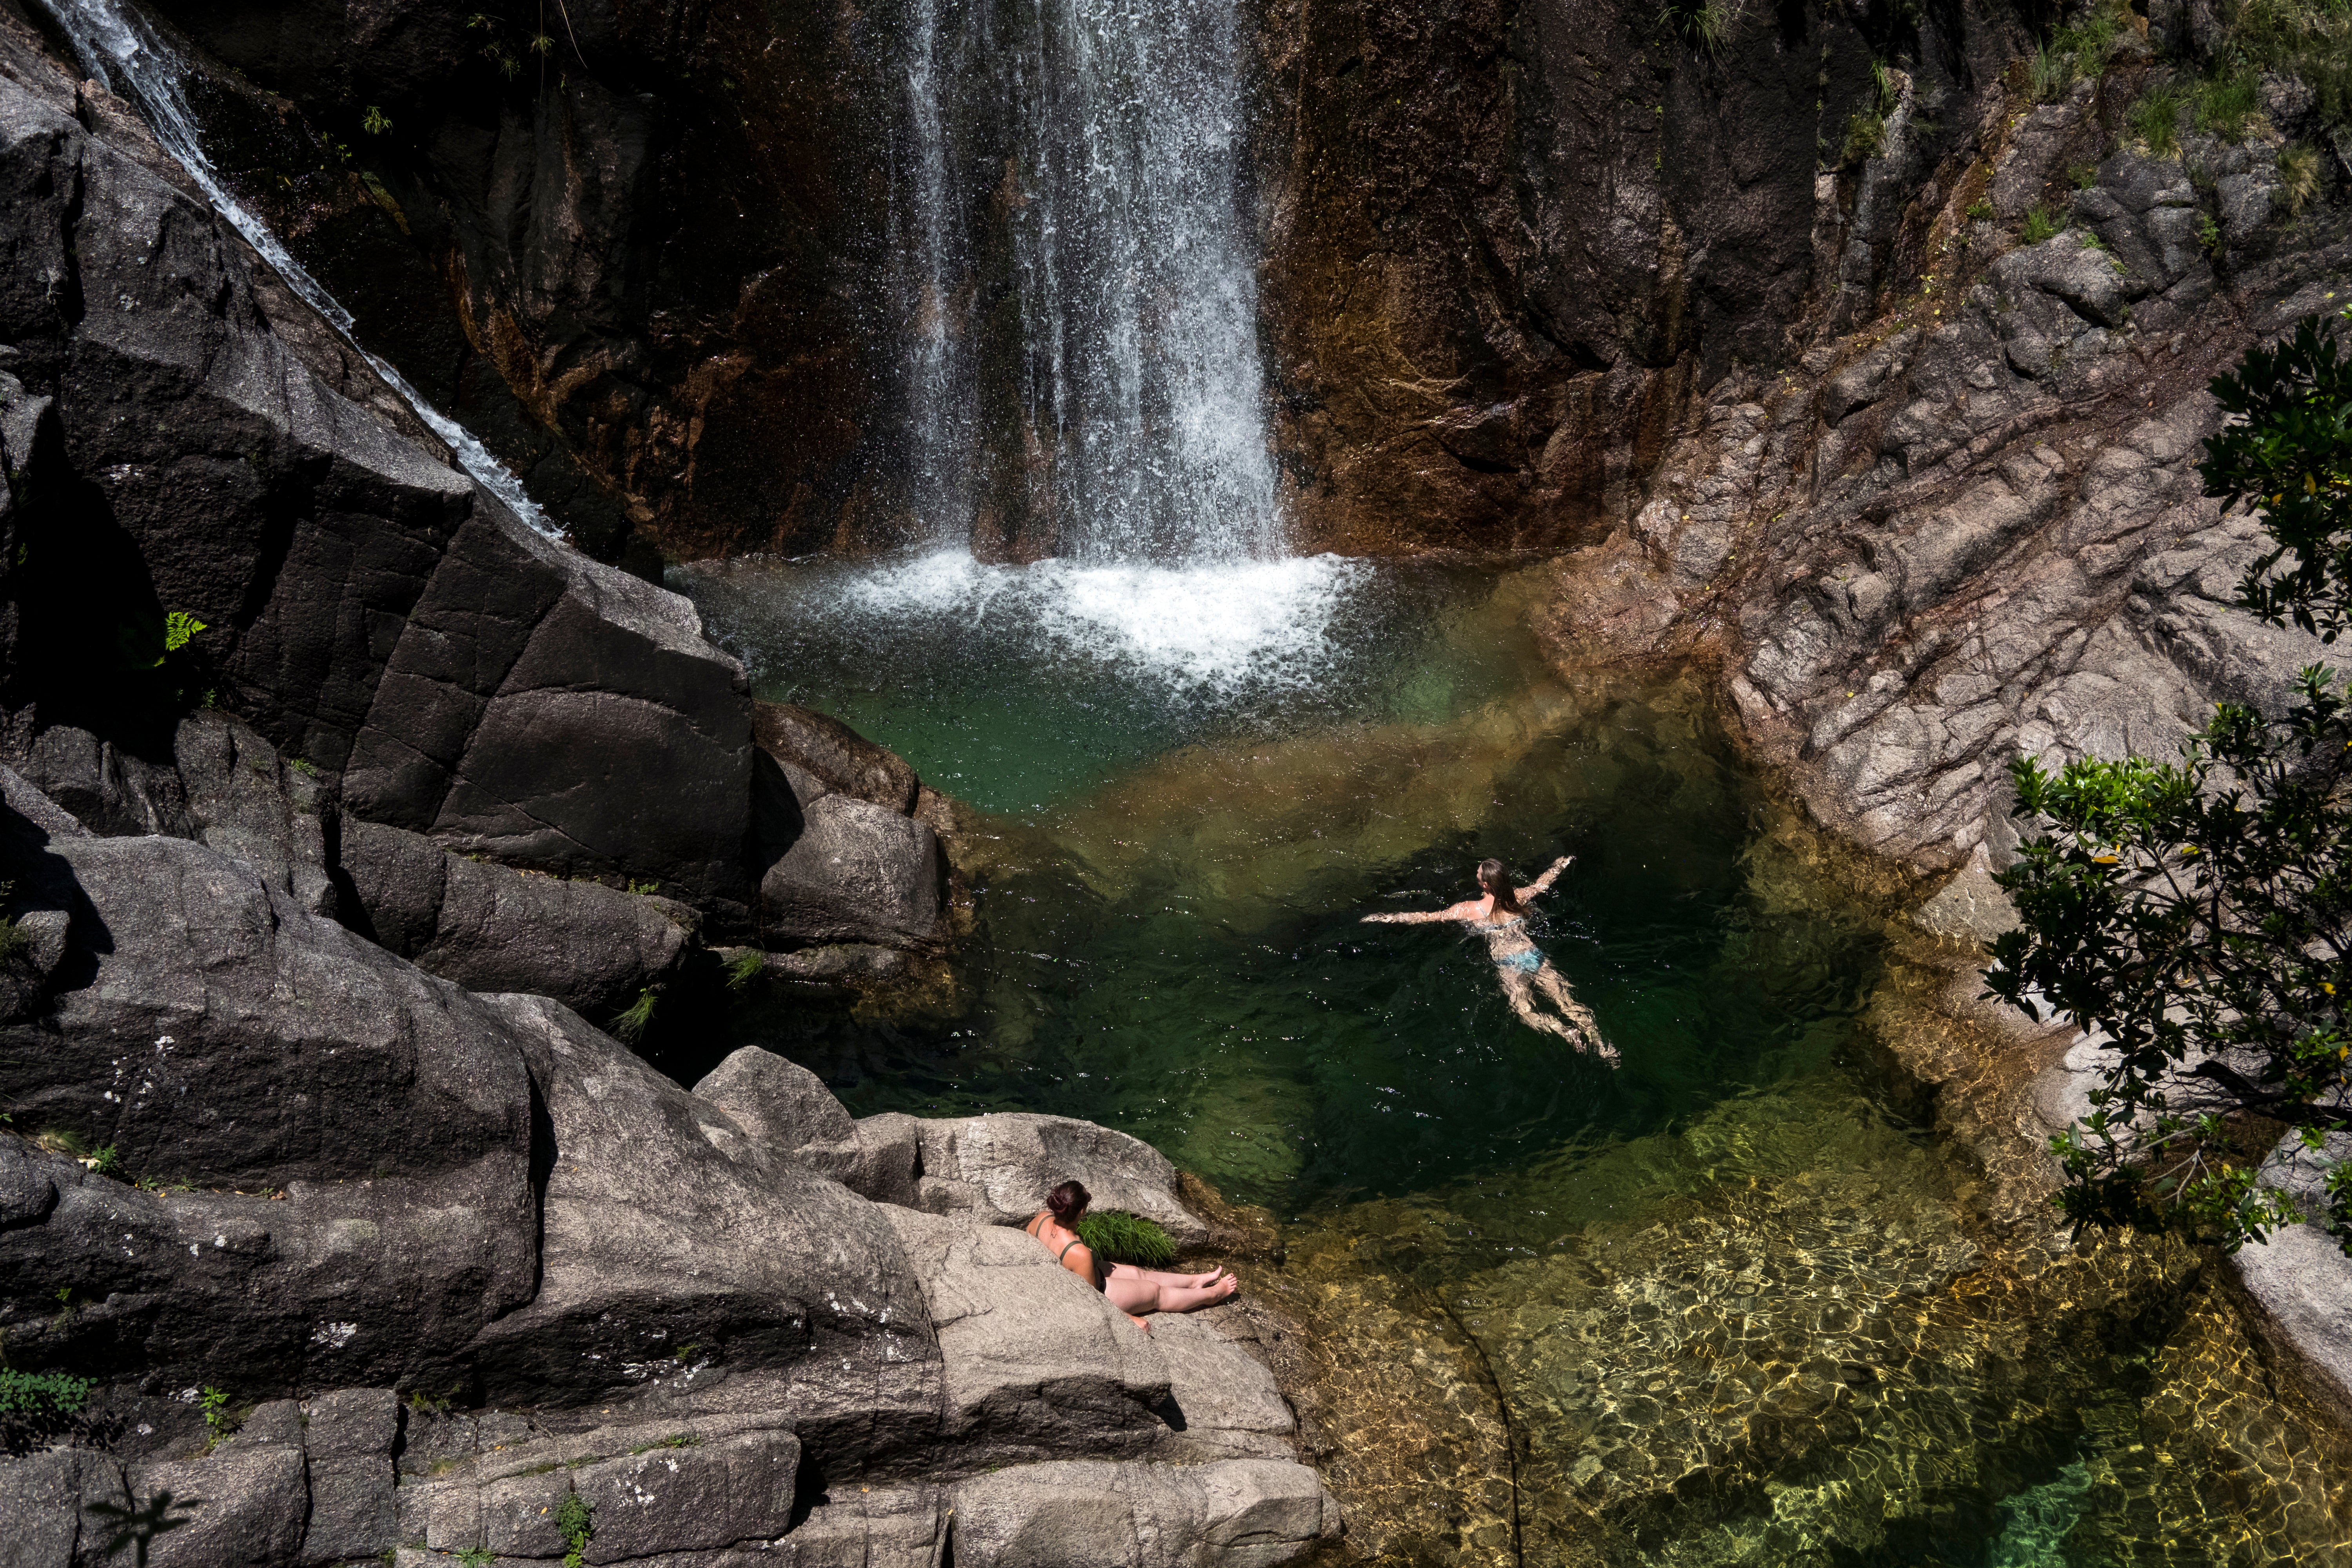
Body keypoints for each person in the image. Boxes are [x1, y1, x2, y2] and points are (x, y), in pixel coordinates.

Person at [1361, 855, 1617, 1063]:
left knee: (1524, 1011)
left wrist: (1387, 917)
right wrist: (1561, 864)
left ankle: (1564, 1032)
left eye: (1478, 874)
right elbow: (1543, 883)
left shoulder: (1469, 909)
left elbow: (1428, 917)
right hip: (1534, 956)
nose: (1476, 875)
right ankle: (1604, 1047)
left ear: (1485, 885)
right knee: (1569, 1003)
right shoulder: (1518, 897)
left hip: (1508, 965)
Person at [1024, 1180, 1237, 1333]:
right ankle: (1213, 1295)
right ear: (1081, 1212)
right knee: (1155, 1293)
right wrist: (1129, 1319)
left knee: (1139, 1274)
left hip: (1082, 1271)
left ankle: (1194, 1281)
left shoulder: (1042, 1219)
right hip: (1098, 1290)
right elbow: (1093, 1301)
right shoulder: (1079, 1252)